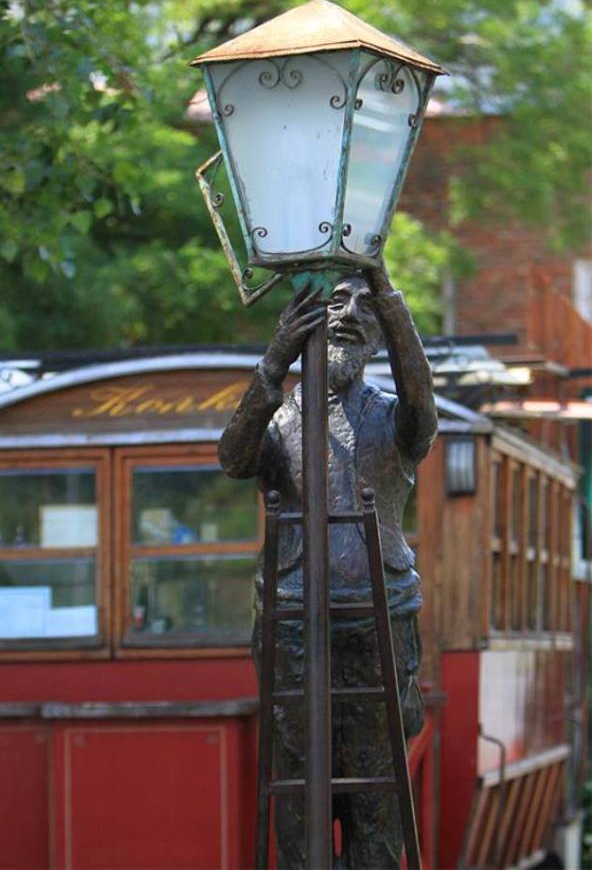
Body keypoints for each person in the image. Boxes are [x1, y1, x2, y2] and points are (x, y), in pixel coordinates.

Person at [219, 259, 437, 869]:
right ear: (307, 321)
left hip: (377, 623)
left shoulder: (394, 417)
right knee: (297, 794)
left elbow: (424, 409)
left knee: (375, 797)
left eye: (365, 311)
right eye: (337, 303)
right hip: (292, 624)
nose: (347, 317)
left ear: (379, 334)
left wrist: (387, 292)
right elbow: (233, 459)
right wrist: (272, 363)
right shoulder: (281, 416)